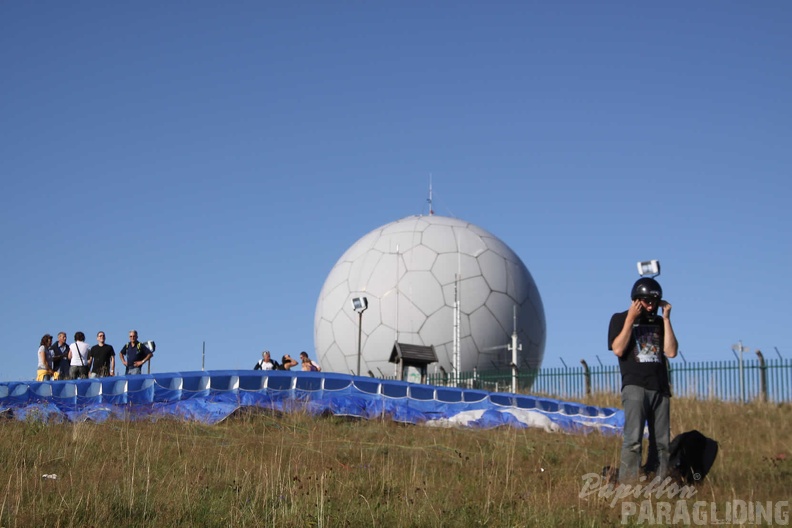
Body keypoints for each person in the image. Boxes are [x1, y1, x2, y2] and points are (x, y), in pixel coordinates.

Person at [608, 277, 678, 483]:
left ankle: (660, 480)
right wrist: (631, 319)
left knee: (662, 441)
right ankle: (629, 483)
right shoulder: (619, 319)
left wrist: (666, 319)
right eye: (646, 301)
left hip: (660, 387)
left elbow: (671, 352)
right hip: (635, 386)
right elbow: (618, 349)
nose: (650, 305)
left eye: (654, 302)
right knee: (634, 439)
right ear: (636, 300)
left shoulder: (659, 322)